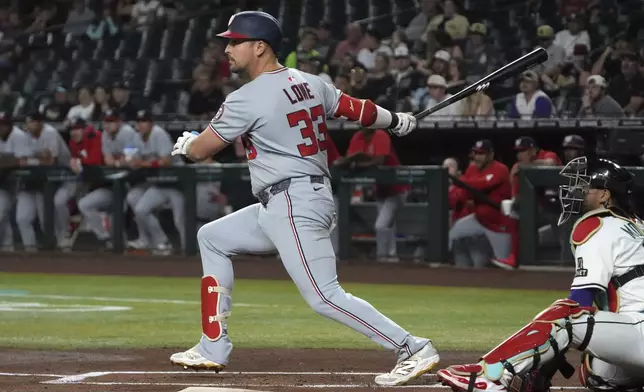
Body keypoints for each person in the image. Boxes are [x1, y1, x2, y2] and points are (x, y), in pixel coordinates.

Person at [169, 11, 435, 387]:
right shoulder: (310, 82)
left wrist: (187, 145)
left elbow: (201, 151)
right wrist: (395, 120)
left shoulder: (246, 98)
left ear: (259, 46)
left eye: (235, 42)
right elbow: (357, 109)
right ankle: (213, 345)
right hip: (291, 200)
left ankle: (412, 347)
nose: (227, 50)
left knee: (324, 296)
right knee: (212, 236)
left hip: (292, 201)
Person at [438, 157, 644, 392]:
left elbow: (581, 301)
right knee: (595, 371)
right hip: (637, 333)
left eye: (586, 186)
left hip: (639, 330)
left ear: (605, 195)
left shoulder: (598, 223)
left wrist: (547, 359)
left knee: (565, 314)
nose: (577, 191)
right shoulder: (638, 225)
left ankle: (492, 375)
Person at [334, 128, 408, 263]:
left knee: (381, 225)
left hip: (397, 189)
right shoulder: (358, 136)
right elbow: (350, 157)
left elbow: (379, 160)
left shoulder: (381, 135)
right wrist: (346, 161)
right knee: (388, 227)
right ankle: (391, 258)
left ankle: (382, 257)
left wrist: (357, 163)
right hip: (380, 190)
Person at [494, 136, 561, 270]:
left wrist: (526, 167)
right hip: (540, 207)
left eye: (523, 150)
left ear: (533, 151)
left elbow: (551, 163)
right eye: (518, 151)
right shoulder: (517, 167)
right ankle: (513, 258)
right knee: (513, 212)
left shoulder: (546, 155)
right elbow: (516, 195)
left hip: (560, 205)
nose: (520, 154)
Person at [125, 110, 185, 255]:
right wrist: (132, 160)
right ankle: (162, 242)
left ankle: (192, 251)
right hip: (159, 184)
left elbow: (166, 161)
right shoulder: (135, 137)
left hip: (178, 183)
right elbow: (130, 159)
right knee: (140, 210)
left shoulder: (159, 134)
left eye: (144, 122)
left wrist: (142, 163)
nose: (141, 125)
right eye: (139, 122)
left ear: (151, 124)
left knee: (180, 221)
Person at [77, 109, 138, 248]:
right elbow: (108, 159)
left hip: (132, 184)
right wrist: (119, 161)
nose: (108, 125)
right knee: (85, 204)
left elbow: (129, 160)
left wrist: (118, 161)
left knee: (118, 217)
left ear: (119, 122)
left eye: (111, 122)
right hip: (113, 186)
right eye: (106, 122)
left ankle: (126, 248)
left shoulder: (127, 132)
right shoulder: (105, 134)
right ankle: (104, 237)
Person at [448, 140, 512, 268]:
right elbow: (463, 192)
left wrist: (464, 182)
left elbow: (483, 185)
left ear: (491, 155)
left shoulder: (500, 169)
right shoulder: (472, 169)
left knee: (504, 264)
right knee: (454, 233)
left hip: (499, 225)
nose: (477, 157)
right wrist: (467, 187)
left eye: (481, 153)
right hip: (478, 220)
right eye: (475, 153)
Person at [15, 111, 72, 251]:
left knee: (45, 219)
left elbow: (50, 161)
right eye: (28, 122)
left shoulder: (50, 133)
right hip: (35, 180)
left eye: (33, 122)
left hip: (63, 176)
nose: (29, 125)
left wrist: (31, 158)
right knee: (24, 219)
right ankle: (31, 251)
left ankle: (57, 246)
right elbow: (20, 160)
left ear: (41, 123)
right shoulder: (25, 135)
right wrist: (38, 157)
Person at [0, 112, 29, 251]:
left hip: (23, 183)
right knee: (1, 214)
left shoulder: (19, 136)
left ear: (9, 125)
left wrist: (6, 161)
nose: (0, 128)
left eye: (2, 125)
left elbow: (21, 161)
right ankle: (7, 246)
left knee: (23, 218)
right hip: (4, 183)